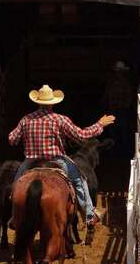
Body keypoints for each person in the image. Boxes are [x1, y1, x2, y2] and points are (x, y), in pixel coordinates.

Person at [7, 84, 114, 227]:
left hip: (31, 161)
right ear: (52, 103)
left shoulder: (26, 120)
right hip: (56, 160)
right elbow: (81, 136)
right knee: (79, 180)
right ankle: (89, 214)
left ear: (38, 102)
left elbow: (12, 139)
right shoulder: (59, 119)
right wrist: (99, 124)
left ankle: (15, 216)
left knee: (16, 185)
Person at [101, 60, 134, 152]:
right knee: (113, 129)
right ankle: (116, 148)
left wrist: (125, 105)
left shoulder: (124, 83)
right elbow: (107, 94)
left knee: (122, 129)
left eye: (120, 71)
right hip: (113, 109)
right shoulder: (112, 82)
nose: (119, 73)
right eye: (118, 71)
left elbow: (129, 96)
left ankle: (122, 149)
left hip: (121, 109)